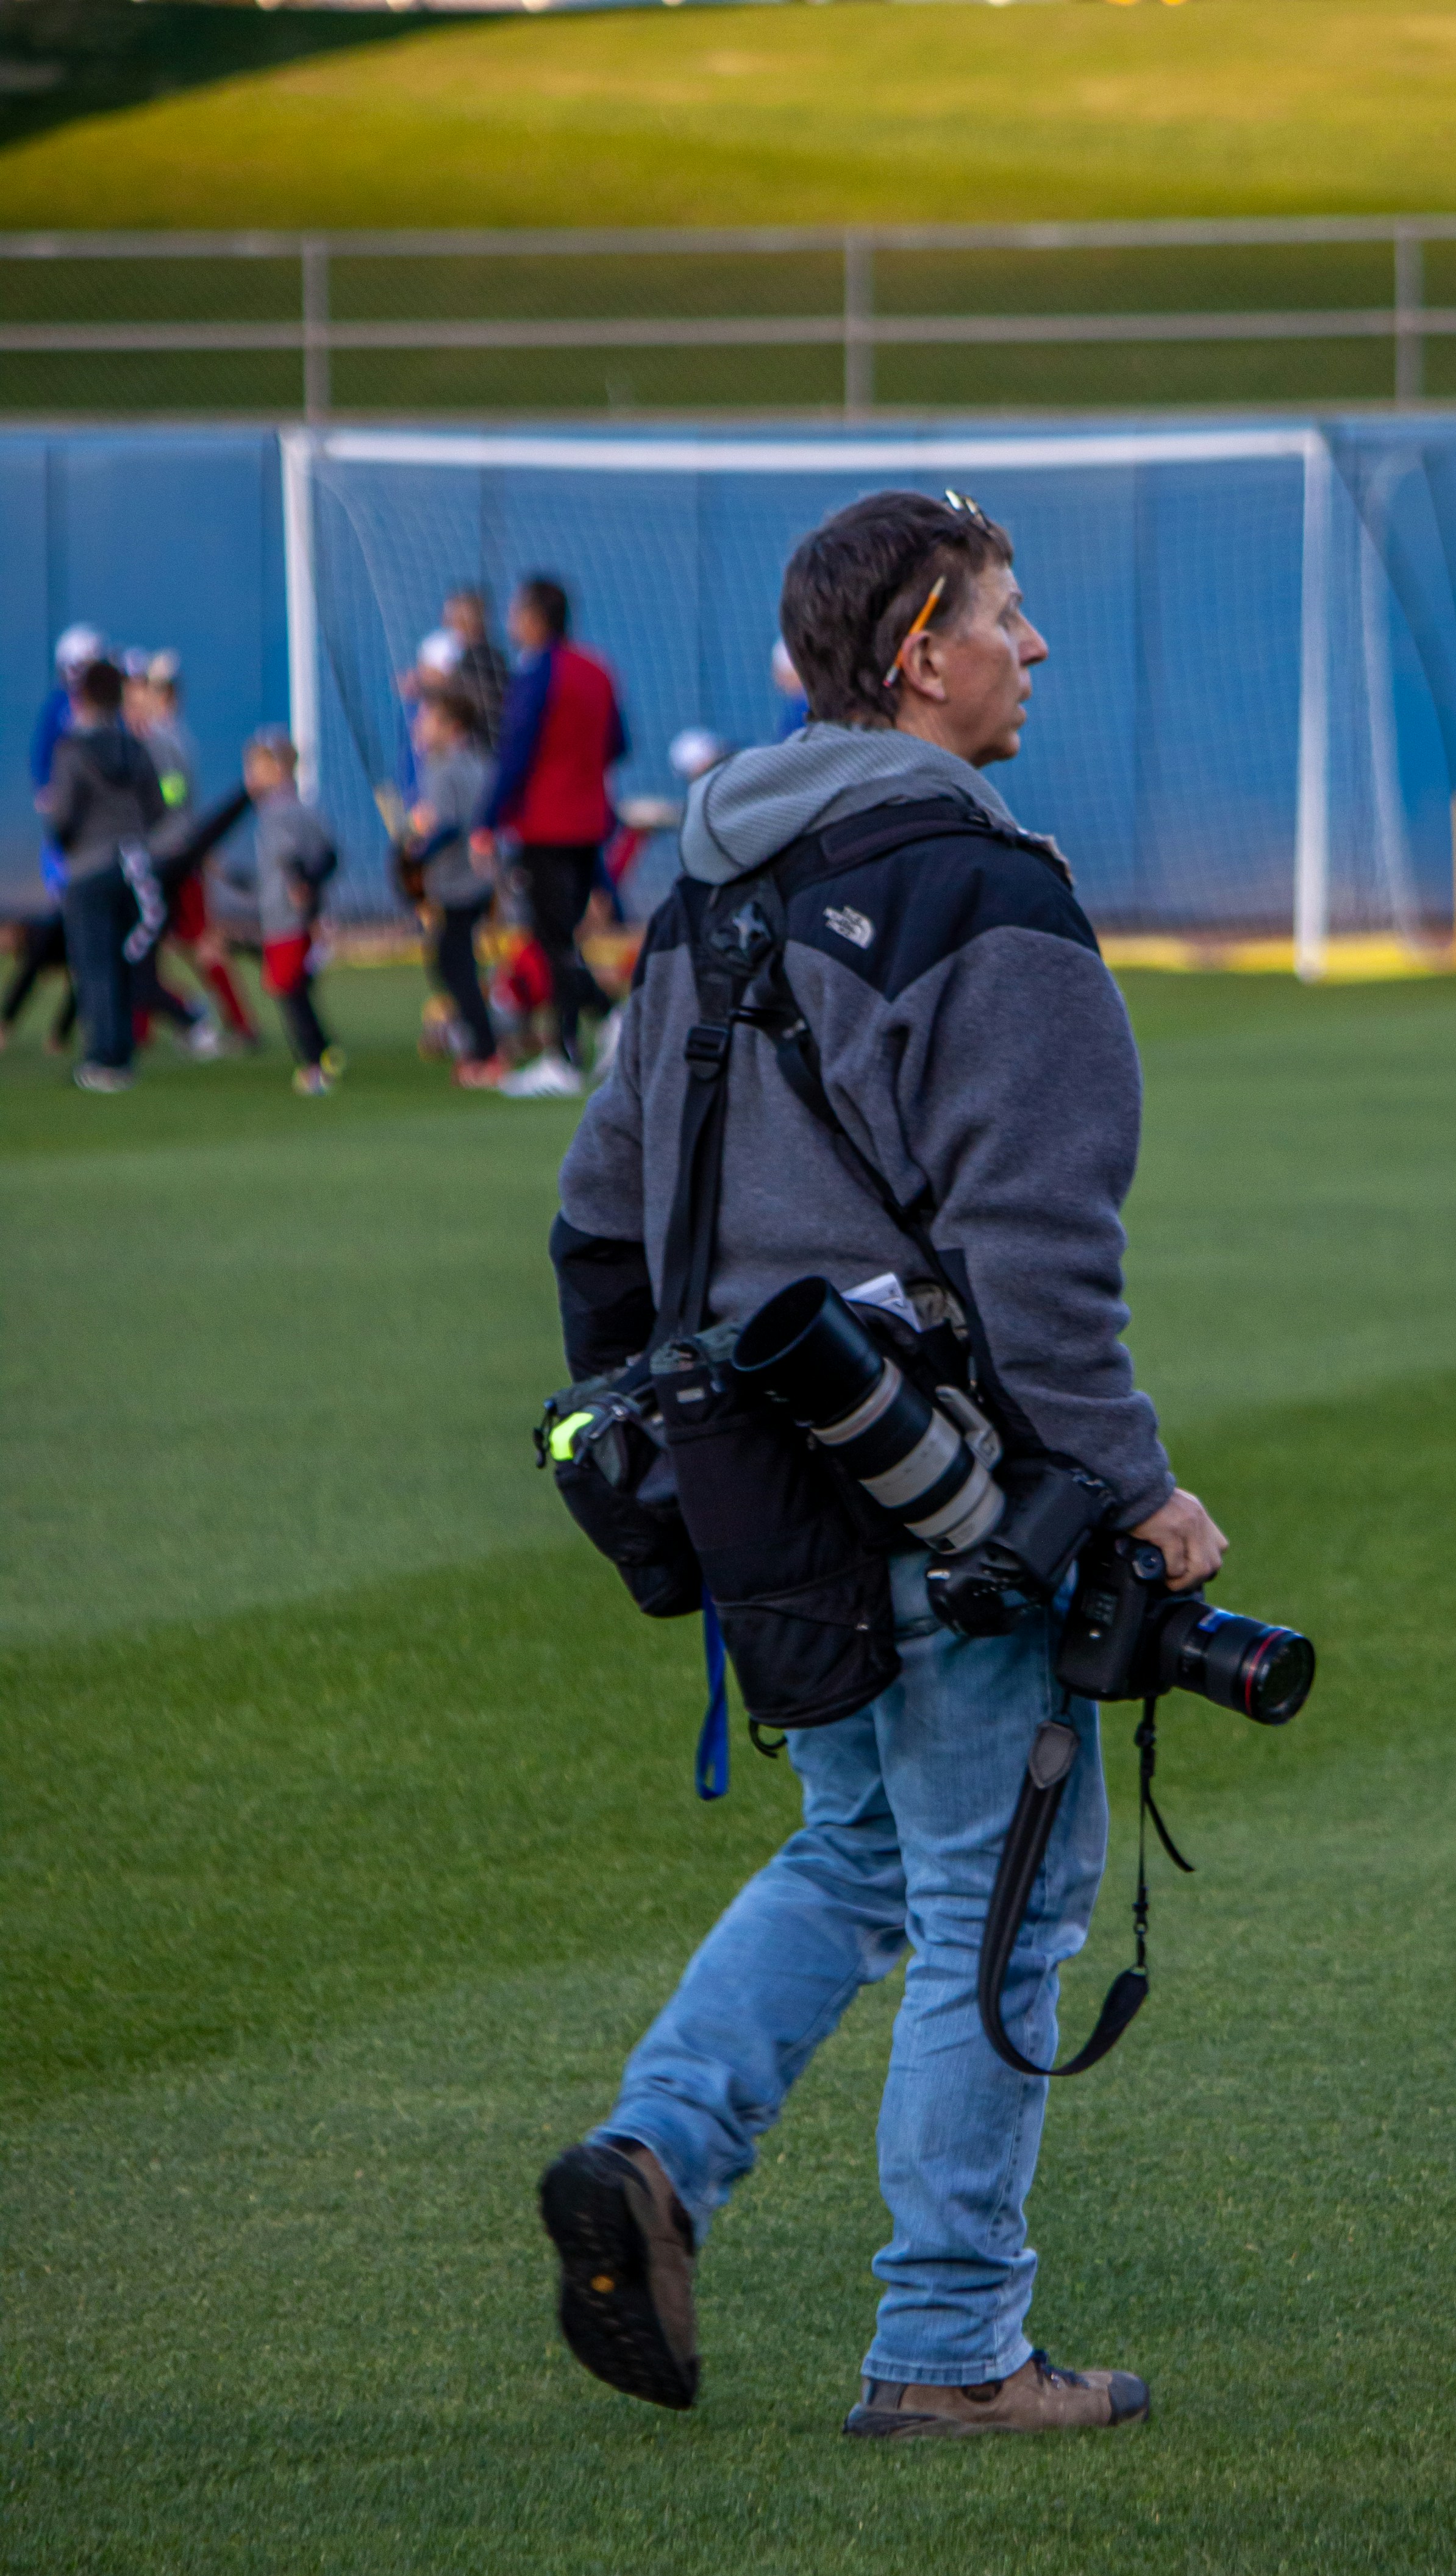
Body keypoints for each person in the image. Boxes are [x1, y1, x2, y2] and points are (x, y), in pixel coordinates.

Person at [537, 489, 1226, 2439]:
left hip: (757, 1487)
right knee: (999, 1896)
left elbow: (602, 1225)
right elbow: (1036, 1255)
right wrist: (1132, 1492)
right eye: (1012, 615)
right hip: (949, 1493)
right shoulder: (986, 893)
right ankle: (947, 2350)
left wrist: (665, 1458)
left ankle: (659, 2157)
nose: (1038, 648)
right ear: (921, 651)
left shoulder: (702, 895)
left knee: (860, 1853)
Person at [473, 574, 629, 1097]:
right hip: (590, 821)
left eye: (518, 611)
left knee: (552, 937)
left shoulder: (538, 673)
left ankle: (566, 1054)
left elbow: (516, 752)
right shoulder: (599, 670)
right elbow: (617, 744)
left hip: (545, 823)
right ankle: (607, 1023)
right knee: (561, 936)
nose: (512, 621)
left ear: (537, 618)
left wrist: (486, 820)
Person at [38, 655, 166, 1091]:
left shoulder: (72, 750)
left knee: (93, 966)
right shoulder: (135, 747)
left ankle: (102, 1058)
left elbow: (62, 814)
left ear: (83, 696)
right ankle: (123, 1052)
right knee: (122, 960)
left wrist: (67, 840)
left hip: (89, 866)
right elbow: (158, 805)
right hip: (133, 864)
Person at [131, 651, 259, 1049]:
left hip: (171, 856)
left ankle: (236, 1023)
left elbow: (174, 793)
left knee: (193, 942)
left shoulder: (163, 738)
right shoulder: (169, 736)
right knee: (150, 944)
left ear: (161, 696)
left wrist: (147, 806)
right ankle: (143, 1028)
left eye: (145, 690)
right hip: (171, 853)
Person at [1, 625, 102, 1056]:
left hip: (101, 847)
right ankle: (19, 1022)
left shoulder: (106, 717)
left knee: (90, 941)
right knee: (65, 935)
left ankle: (62, 1031)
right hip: (73, 847)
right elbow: (45, 772)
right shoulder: (61, 710)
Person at [404, 685, 502, 1088]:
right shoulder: (473, 761)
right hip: (477, 879)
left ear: (452, 726)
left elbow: (446, 826)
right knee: (451, 961)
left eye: (429, 718)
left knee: (454, 964)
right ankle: (477, 1036)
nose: (419, 726)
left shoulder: (445, 766)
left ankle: (485, 1050)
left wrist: (416, 853)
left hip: (460, 882)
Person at [237, 730, 340, 1095]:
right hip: (304, 916)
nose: (251, 775)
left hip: (286, 917)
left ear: (279, 769)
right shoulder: (304, 808)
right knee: (297, 985)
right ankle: (326, 1049)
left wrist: (300, 887)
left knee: (287, 987)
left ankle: (314, 1065)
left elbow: (289, 859)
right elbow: (330, 855)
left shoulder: (276, 813)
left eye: (257, 767)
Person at [443, 587, 510, 746]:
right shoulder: (477, 655)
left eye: (455, 619)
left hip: (481, 745)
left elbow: (475, 702)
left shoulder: (482, 658)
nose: (448, 624)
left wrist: (434, 686)